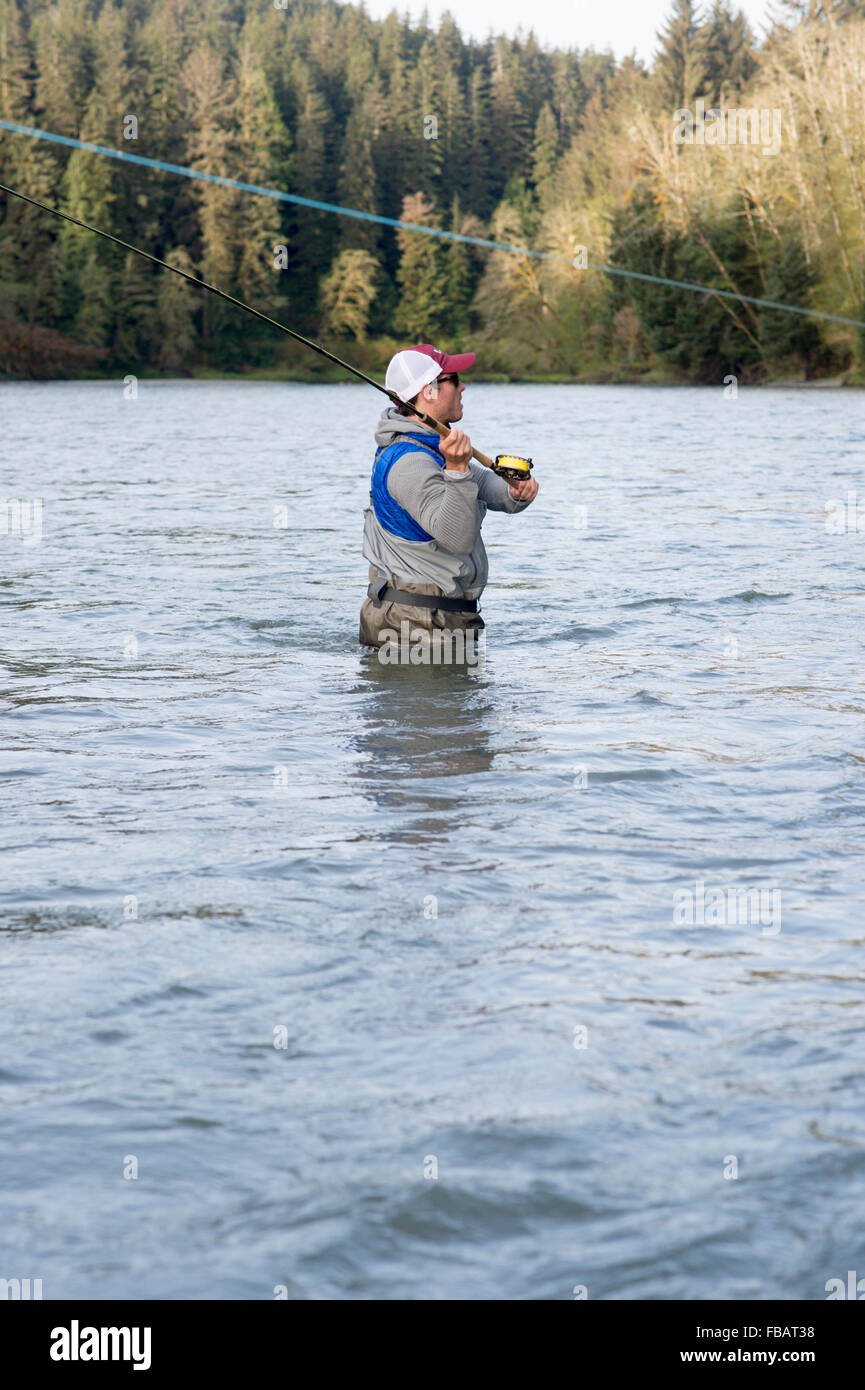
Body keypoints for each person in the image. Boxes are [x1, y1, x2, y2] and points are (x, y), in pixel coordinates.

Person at [359, 343, 539, 655]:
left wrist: (514, 491)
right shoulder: (408, 462)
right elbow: (457, 537)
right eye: (454, 379)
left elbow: (481, 482)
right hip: (414, 630)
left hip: (434, 622)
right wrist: (456, 470)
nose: (463, 386)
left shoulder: (431, 447)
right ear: (428, 391)